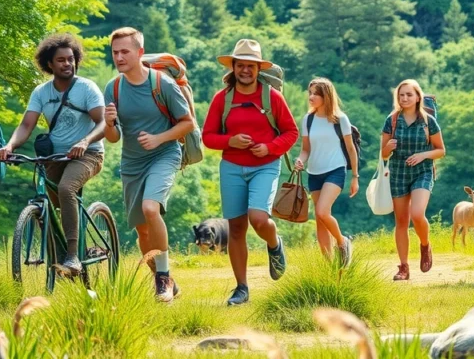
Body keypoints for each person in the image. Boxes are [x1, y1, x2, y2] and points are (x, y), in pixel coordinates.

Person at [0, 33, 106, 275]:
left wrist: (85, 141)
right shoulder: (41, 92)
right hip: (55, 158)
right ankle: (61, 254)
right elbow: (26, 125)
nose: (67, 64)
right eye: (61, 60)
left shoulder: (87, 88)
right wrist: (9, 146)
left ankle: (73, 257)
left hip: (88, 154)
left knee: (66, 189)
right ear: (49, 64)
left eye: (71, 59)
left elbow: (103, 123)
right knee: (49, 203)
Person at [202, 39, 299, 306]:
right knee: (236, 228)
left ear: (258, 69)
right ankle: (242, 288)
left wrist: (269, 147)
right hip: (232, 167)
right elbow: (207, 137)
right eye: (240, 65)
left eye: (251, 66)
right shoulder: (222, 99)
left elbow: (291, 132)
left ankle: (274, 243)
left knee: (258, 218)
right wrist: (230, 141)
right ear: (233, 67)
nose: (245, 70)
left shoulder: (272, 97)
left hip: (265, 165)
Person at [103, 28, 196, 303]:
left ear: (140, 53)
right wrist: (108, 122)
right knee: (142, 231)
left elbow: (188, 123)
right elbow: (113, 138)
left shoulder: (161, 84)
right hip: (132, 162)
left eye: (125, 51)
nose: (119, 57)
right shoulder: (113, 88)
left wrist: (159, 138)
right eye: (115, 52)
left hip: (164, 154)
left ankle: (163, 280)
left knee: (150, 208)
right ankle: (165, 279)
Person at [381, 79, 446, 281]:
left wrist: (422, 155)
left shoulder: (428, 121)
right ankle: (403, 267)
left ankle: (425, 245)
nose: (405, 98)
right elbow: (383, 154)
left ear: (418, 97)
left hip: (422, 171)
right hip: (398, 172)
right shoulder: (392, 120)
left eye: (409, 94)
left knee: (417, 214)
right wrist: (388, 148)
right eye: (401, 95)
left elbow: (441, 150)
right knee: (401, 221)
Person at [293, 78, 359, 266]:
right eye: (310, 93)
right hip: (314, 173)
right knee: (320, 218)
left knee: (322, 211)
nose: (311, 97)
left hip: (335, 170)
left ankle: (342, 241)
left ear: (326, 96)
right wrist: (300, 160)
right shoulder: (308, 120)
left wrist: (355, 177)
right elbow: (306, 149)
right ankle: (328, 266)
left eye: (316, 93)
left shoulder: (341, 119)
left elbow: (351, 149)